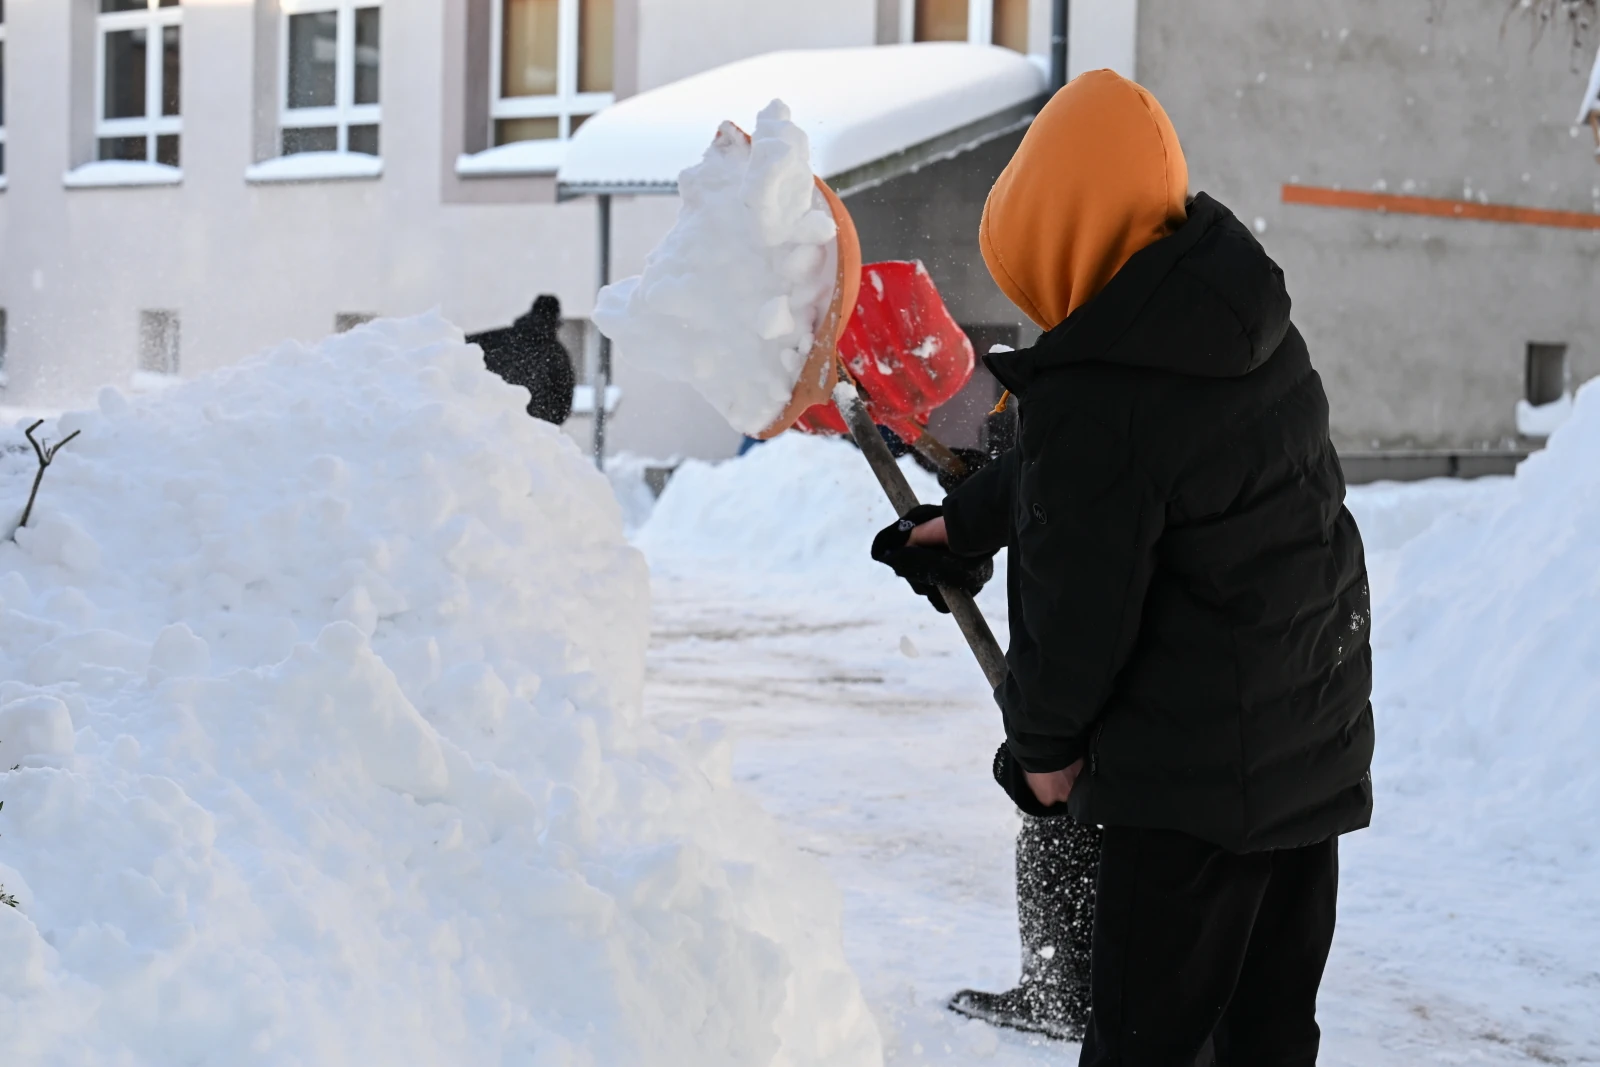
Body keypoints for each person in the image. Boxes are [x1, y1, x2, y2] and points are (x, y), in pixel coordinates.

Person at [872, 70, 1374, 1064]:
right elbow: (1104, 478)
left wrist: (1044, 747)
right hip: (1300, 754)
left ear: (1066, 239)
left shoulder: (1102, 395)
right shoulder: (1234, 325)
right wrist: (962, 528)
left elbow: (1077, 603)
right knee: (1266, 1032)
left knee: (1145, 1037)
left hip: (1188, 788)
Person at [467, 294, 577, 424]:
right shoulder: (557, 354)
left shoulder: (501, 339)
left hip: (494, 421)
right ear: (556, 322)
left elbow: (461, 348)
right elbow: (563, 399)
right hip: (531, 431)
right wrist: (547, 426)